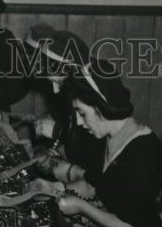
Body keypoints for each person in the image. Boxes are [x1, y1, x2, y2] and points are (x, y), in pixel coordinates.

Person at [46, 71, 162, 227]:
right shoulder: (112, 136)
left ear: (101, 108)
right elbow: (95, 183)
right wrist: (52, 189)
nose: (80, 123)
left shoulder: (142, 154)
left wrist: (82, 207)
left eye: (82, 114)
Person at [23, 25, 103, 185]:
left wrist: (57, 131)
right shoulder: (70, 87)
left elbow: (96, 151)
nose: (54, 90)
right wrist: (53, 154)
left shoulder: (95, 93)